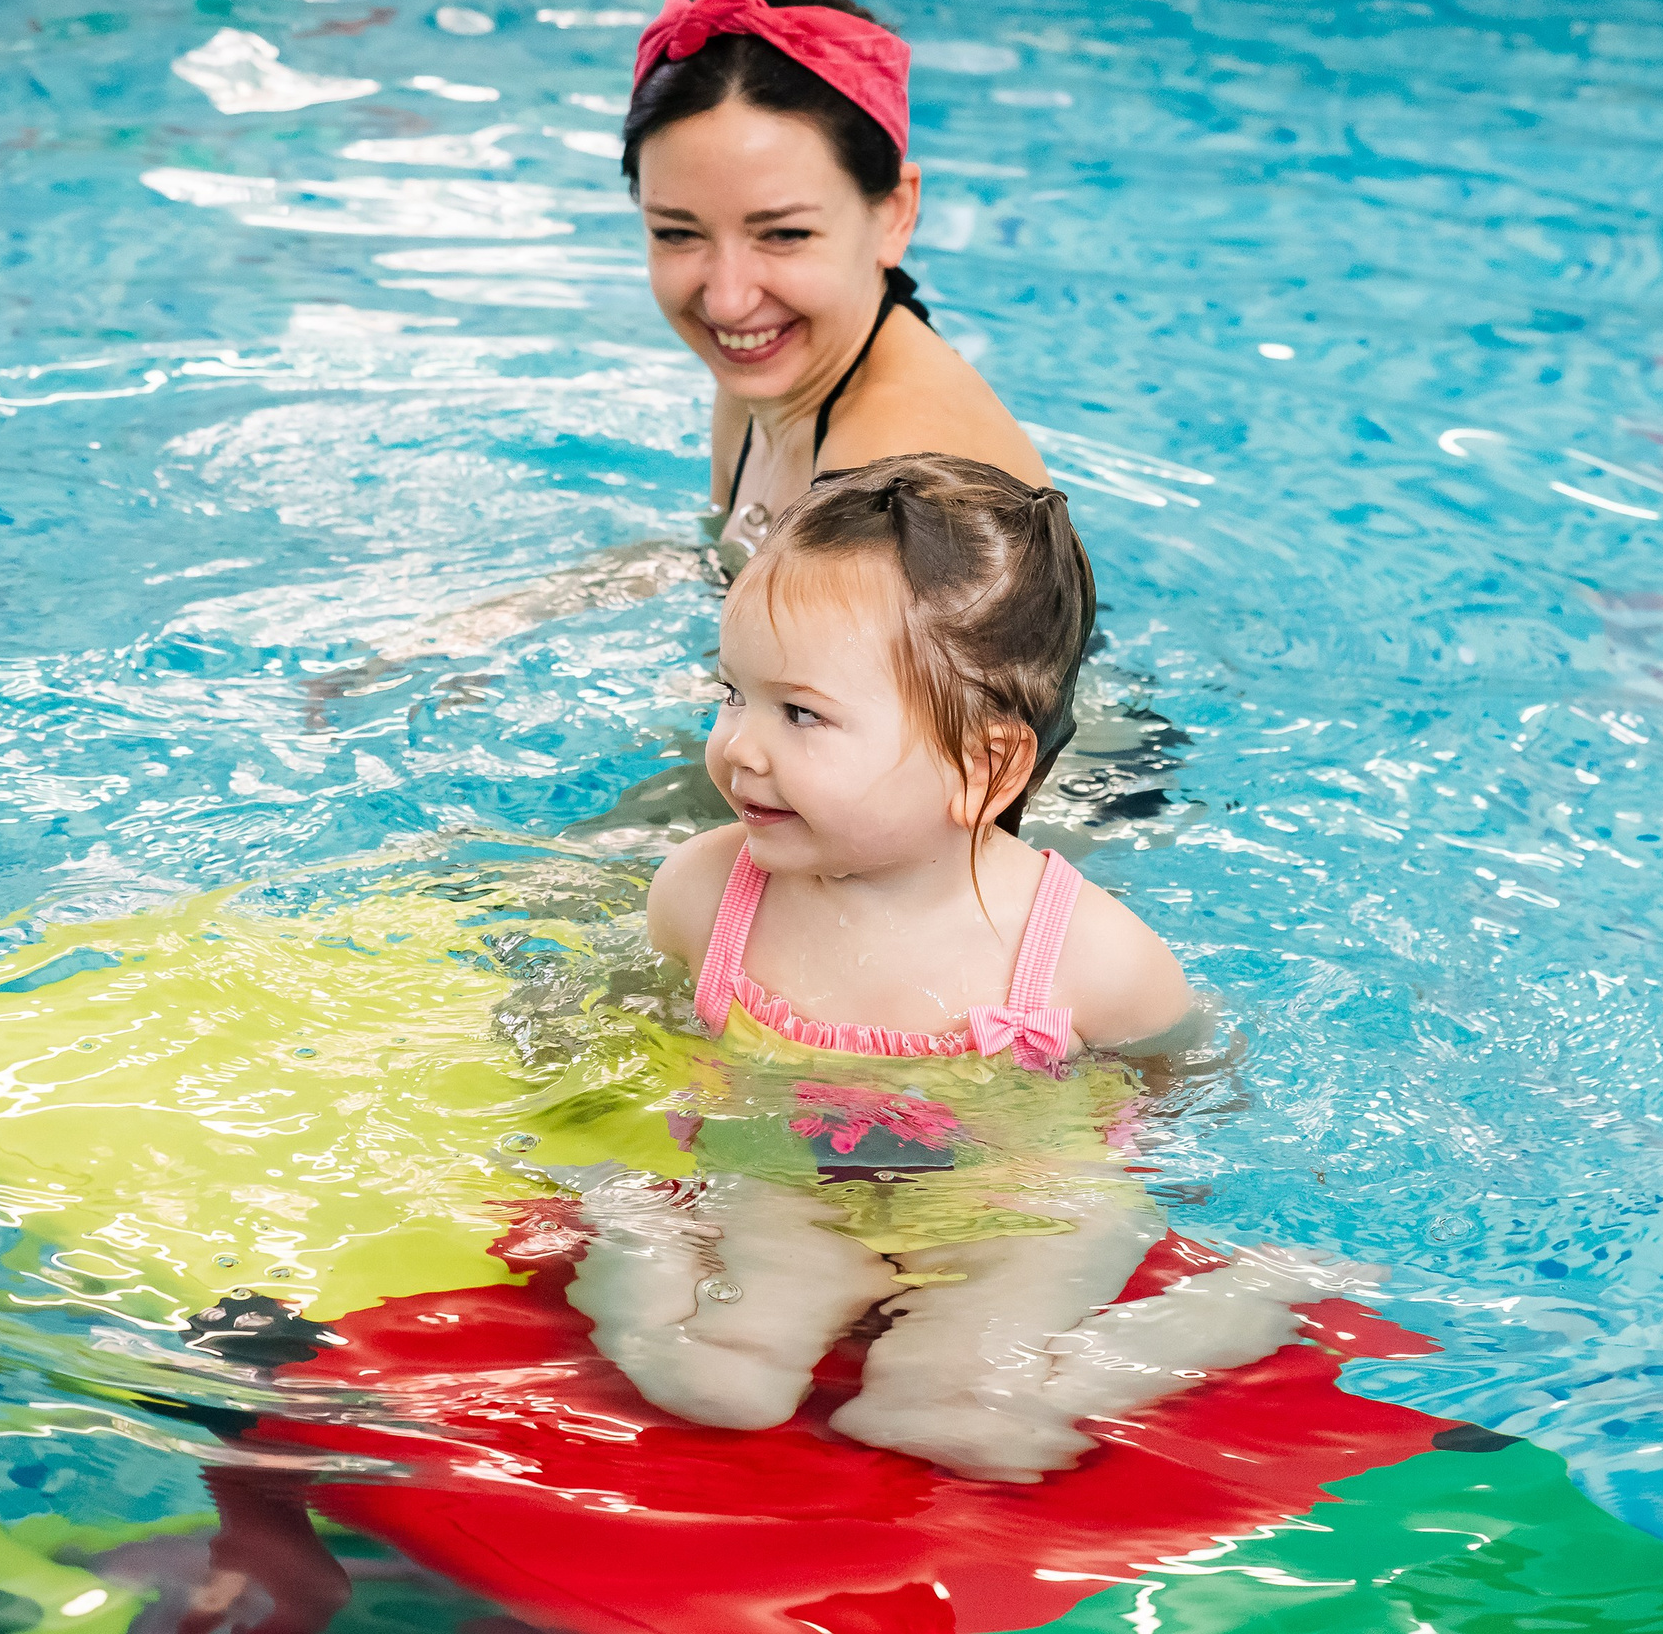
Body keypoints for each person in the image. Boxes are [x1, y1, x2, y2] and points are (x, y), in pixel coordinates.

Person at [563, 454, 1334, 1483]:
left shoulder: (1083, 957)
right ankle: (639, 1231)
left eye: (800, 714)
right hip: (789, 1185)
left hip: (1014, 1212)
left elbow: (1186, 1081)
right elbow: (635, 1028)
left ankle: (1231, 1306)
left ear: (985, 766)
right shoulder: (707, 895)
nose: (740, 749)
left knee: (952, 1411)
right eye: (731, 693)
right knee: (715, 1379)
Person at [623, 0, 1048, 572]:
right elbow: (718, 568)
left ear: (894, 214)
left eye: (785, 234)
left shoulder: (896, 477)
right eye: (677, 233)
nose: (727, 301)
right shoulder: (765, 370)